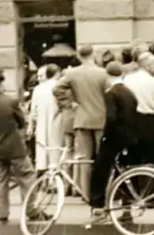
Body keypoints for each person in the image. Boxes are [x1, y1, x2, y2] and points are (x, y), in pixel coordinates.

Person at [0, 69, 42, 224]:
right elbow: (21, 122)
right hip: (14, 146)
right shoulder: (11, 101)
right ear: (2, 81)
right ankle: (31, 210)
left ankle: (3, 213)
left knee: (0, 180)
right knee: (27, 176)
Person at [53, 45, 110, 196]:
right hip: (101, 119)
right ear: (93, 54)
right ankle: (102, 192)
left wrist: (69, 103)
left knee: (84, 159)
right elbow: (109, 95)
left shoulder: (71, 73)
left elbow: (56, 89)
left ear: (78, 56)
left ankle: (86, 193)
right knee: (102, 157)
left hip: (81, 119)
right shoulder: (103, 74)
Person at [88, 62, 139, 223]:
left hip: (114, 137)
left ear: (108, 76)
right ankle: (126, 209)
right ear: (121, 75)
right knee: (124, 172)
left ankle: (98, 206)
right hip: (129, 137)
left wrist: (105, 135)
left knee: (100, 169)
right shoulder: (130, 93)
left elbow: (111, 117)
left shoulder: (111, 93)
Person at [30, 64, 61, 171]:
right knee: (57, 151)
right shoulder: (59, 86)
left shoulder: (38, 89)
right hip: (57, 124)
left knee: (42, 152)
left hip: (41, 125)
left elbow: (34, 111)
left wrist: (32, 126)